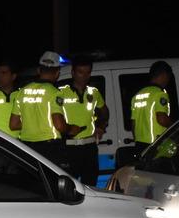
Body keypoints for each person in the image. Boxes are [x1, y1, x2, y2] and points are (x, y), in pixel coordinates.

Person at [10, 51, 80, 169]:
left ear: (39, 70)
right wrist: (71, 129)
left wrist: (33, 122)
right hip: (50, 148)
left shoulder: (22, 92)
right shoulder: (54, 92)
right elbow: (59, 125)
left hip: (27, 148)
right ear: (57, 73)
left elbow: (13, 124)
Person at [58, 56, 109, 186]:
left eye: (88, 72)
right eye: (80, 72)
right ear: (73, 73)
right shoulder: (61, 92)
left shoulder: (94, 92)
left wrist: (101, 127)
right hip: (68, 148)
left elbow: (104, 112)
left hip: (89, 147)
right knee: (68, 187)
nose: (84, 76)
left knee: (91, 186)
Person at [130, 60, 173, 145]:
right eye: (168, 77)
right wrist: (176, 126)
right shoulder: (159, 94)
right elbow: (162, 119)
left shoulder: (138, 95)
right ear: (164, 75)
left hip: (140, 144)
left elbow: (133, 123)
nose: (168, 80)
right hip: (156, 143)